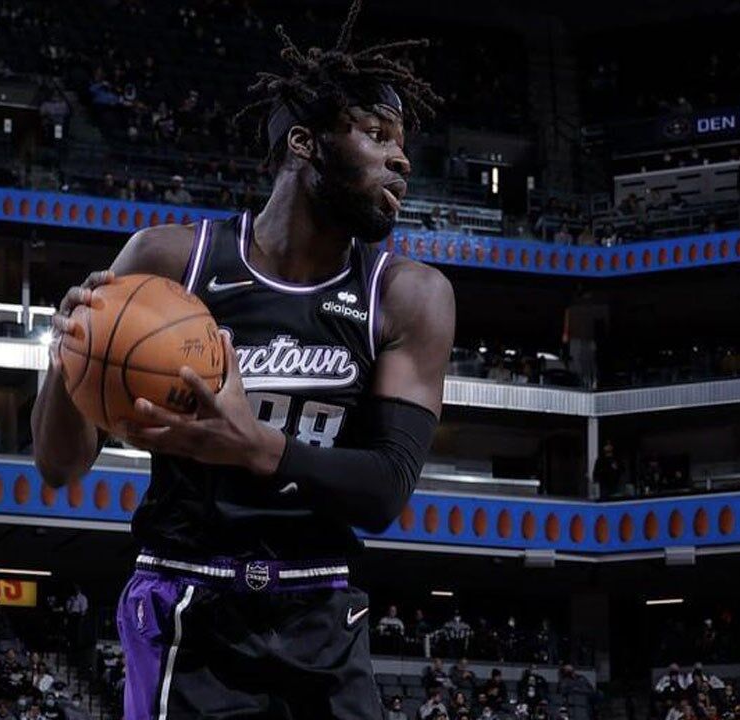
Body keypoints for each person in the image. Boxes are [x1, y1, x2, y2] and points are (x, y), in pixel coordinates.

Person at [31, 2, 454, 716]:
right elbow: (58, 466)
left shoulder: (409, 295)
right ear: (304, 143)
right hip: (187, 599)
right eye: (377, 135)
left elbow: (386, 491)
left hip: (323, 607)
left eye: (401, 142)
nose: (401, 159)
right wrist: (68, 357)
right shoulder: (171, 260)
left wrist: (257, 446)